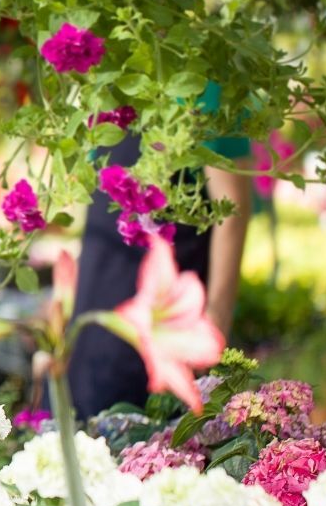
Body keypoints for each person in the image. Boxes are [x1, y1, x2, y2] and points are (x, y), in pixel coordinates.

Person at [68, 125, 254, 418]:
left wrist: (215, 323)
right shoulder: (106, 93)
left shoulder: (204, 87)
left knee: (145, 445)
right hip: (92, 322)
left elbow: (232, 210)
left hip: (161, 326)